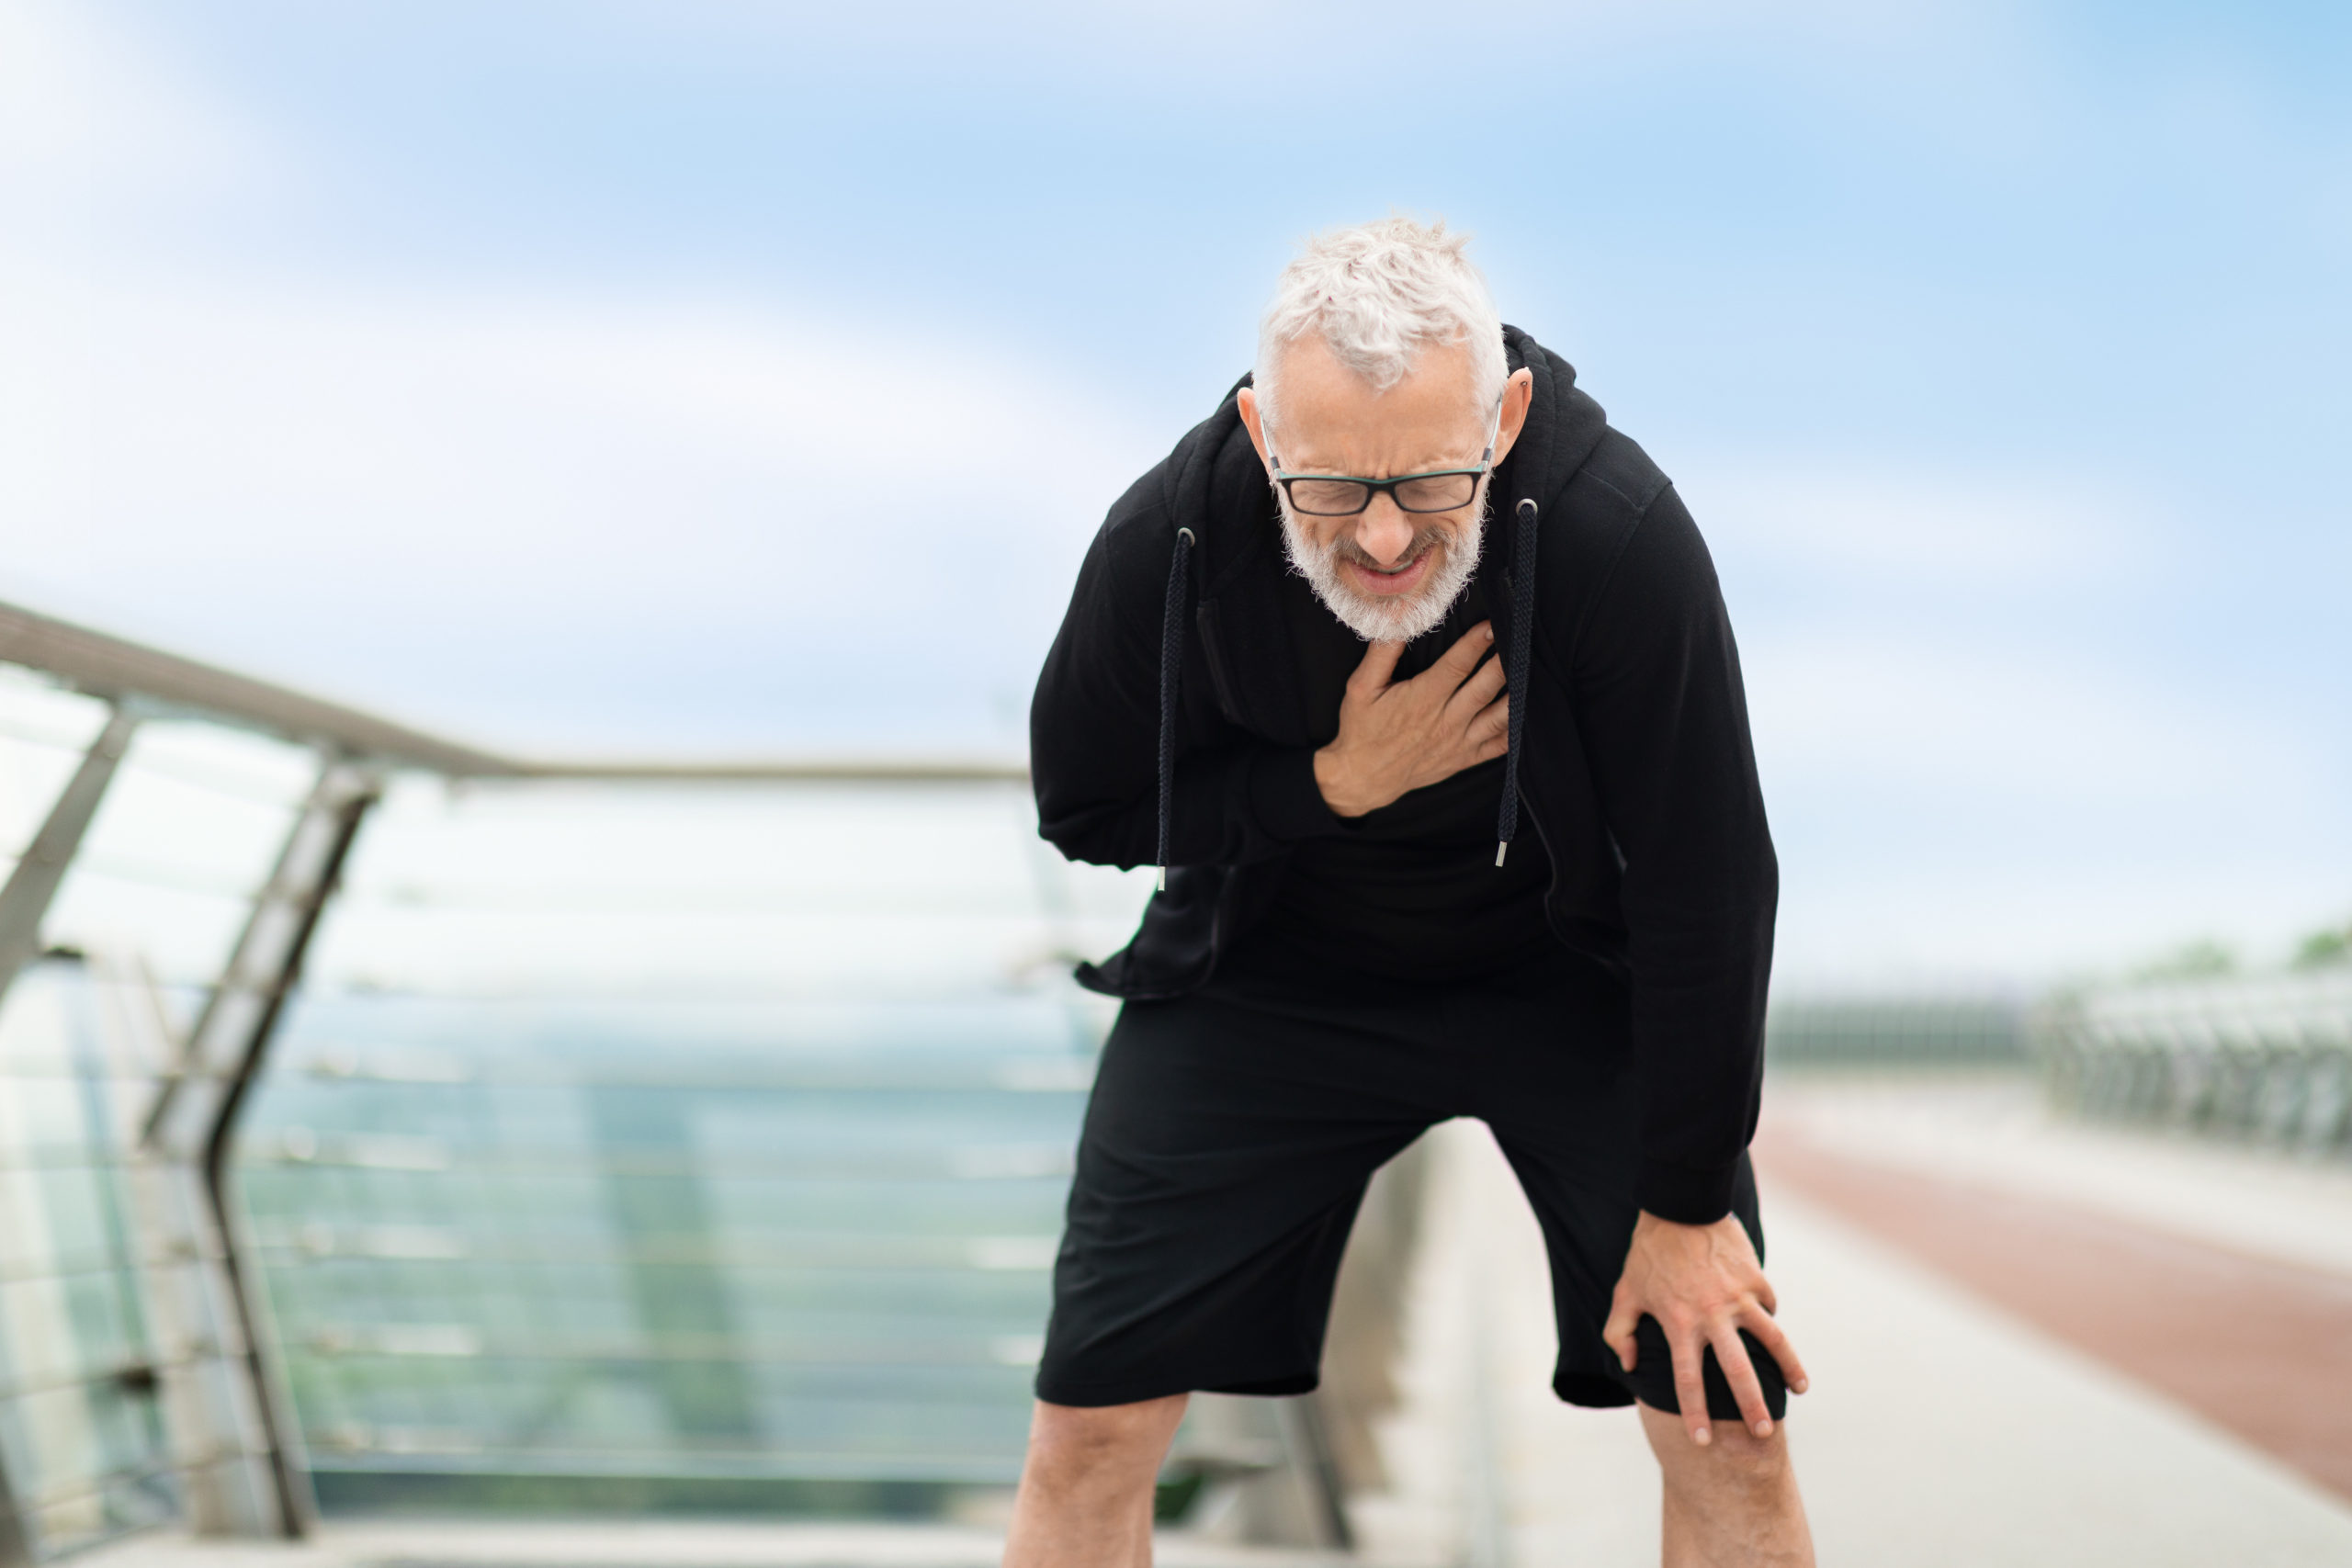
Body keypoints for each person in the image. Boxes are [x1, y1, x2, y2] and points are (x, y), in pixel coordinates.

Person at [1012, 217, 1812, 1567]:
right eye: (1329, 488)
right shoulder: (1175, 534)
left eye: (1431, 481)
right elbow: (1082, 804)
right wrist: (1322, 786)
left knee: (1724, 1420)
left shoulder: (1619, 533)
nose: (1382, 538)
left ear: (1502, 418)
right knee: (1086, 1434)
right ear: (1266, 437)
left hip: (1574, 987)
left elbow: (1709, 879)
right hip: (1269, 978)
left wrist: (1686, 1209)